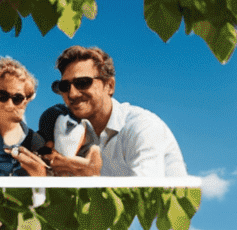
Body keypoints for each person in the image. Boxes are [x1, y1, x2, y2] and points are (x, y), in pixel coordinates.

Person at [36, 45, 186, 177]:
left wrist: (92, 180)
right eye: (64, 86)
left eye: (83, 83)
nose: (72, 94)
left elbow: (145, 199)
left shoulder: (142, 127)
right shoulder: (75, 134)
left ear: (109, 86)